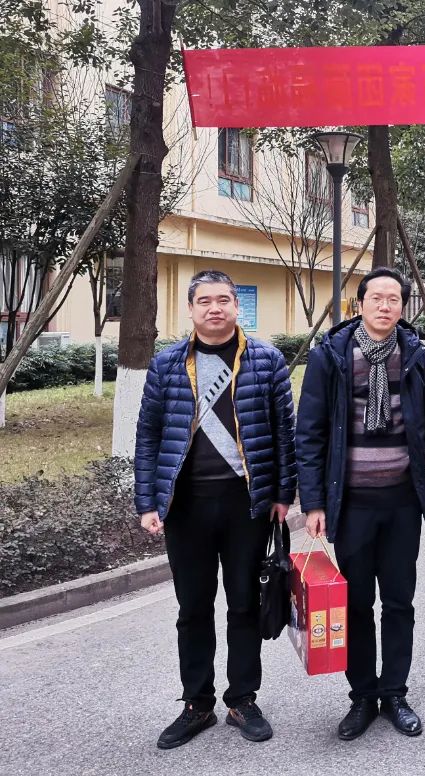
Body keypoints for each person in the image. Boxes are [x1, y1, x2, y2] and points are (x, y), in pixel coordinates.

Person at [136, 270, 296, 749]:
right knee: (193, 608)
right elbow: (148, 435)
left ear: (235, 306)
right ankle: (197, 703)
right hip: (185, 506)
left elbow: (284, 433)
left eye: (223, 299)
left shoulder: (266, 361)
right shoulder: (166, 365)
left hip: (246, 505)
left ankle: (242, 699)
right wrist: (147, 500)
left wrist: (283, 494)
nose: (214, 308)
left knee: (244, 604)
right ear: (190, 309)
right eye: (204, 301)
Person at [295, 267, 425, 741]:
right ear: (359, 304)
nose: (386, 306)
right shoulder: (332, 355)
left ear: (403, 306)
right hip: (353, 504)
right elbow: (310, 432)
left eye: (395, 299)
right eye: (377, 298)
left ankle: (395, 693)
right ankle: (363, 695)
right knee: (357, 603)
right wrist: (314, 502)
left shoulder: (414, 353)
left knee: (400, 602)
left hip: (402, 501)